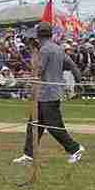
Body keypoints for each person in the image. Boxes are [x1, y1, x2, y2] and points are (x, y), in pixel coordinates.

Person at [14, 21, 85, 166]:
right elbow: (72, 66)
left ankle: (75, 148)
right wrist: (79, 83)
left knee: (53, 126)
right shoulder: (59, 49)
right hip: (51, 93)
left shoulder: (44, 50)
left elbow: (38, 70)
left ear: (38, 36)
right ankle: (28, 155)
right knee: (34, 125)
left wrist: (32, 58)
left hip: (46, 94)